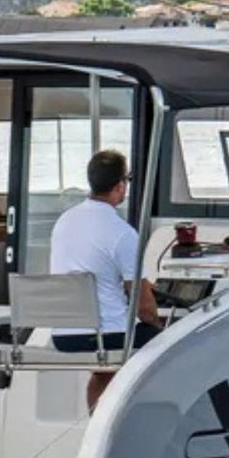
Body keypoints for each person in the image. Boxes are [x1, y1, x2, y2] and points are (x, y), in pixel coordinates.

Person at [47, 148, 161, 411]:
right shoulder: (122, 233)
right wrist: (159, 324)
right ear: (120, 185)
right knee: (167, 340)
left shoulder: (64, 221)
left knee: (103, 372)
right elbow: (144, 307)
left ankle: (95, 430)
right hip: (107, 336)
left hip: (65, 335)